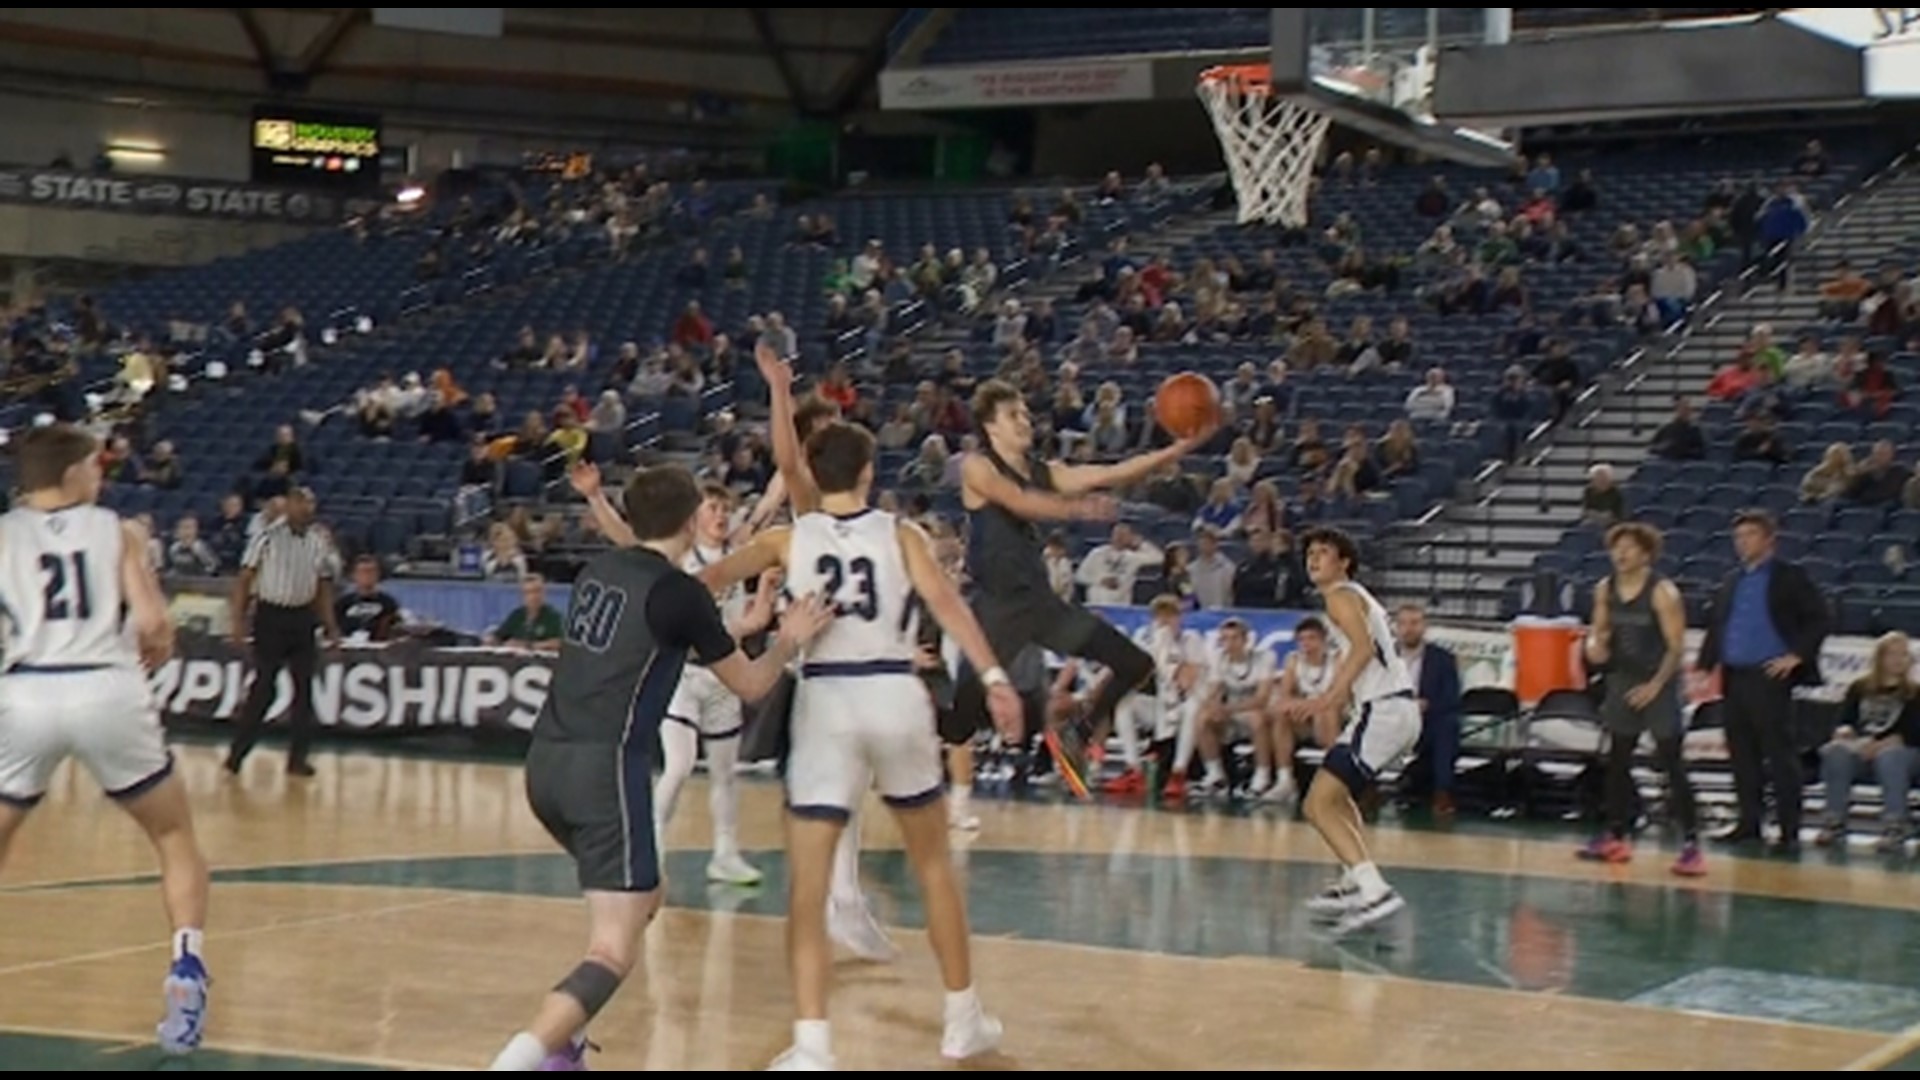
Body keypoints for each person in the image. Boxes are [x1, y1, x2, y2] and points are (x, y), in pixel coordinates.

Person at [697, 421, 1021, 1071]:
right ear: (870, 471)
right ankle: (963, 1021)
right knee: (933, 869)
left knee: (807, 889)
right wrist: (994, 677)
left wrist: (748, 629)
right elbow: (952, 610)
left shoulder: (786, 539)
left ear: (814, 476)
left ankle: (814, 1046)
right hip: (896, 696)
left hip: (827, 700)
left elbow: (698, 587)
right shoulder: (904, 535)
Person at [487, 465, 833, 1071]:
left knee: (649, 892)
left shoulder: (602, 569)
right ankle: (523, 1059)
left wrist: (742, 626)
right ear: (691, 516)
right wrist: (788, 638)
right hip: (604, 771)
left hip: (545, 765)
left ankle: (564, 1040)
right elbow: (751, 684)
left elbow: (658, 628)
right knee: (613, 949)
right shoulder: (680, 594)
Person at [0, 424, 211, 1054]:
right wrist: (155, 647)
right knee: (173, 836)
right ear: (70, 475)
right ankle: (187, 967)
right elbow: (152, 621)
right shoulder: (116, 529)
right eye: (94, 466)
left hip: (28, 691)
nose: (101, 476)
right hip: (106, 688)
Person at [955, 378, 1216, 798]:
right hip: (999, 607)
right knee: (959, 717)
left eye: (1025, 412)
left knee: (1135, 662)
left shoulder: (1043, 470)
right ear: (990, 426)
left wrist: (1176, 450)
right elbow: (1019, 501)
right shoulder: (976, 465)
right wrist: (1075, 509)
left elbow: (1109, 473)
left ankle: (1077, 733)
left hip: (1041, 604)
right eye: (1013, 415)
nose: (1025, 420)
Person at [747, 343, 909, 961]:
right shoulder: (808, 506)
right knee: (834, 785)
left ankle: (843, 901)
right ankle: (835, 904)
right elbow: (787, 460)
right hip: (818, 658)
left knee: (851, 781)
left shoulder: (861, 515)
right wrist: (780, 392)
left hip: (857, 657)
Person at [571, 466, 780, 887]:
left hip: (724, 673)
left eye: (726, 508)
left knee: (725, 773)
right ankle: (652, 846)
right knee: (681, 764)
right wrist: (595, 498)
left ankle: (725, 853)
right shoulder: (678, 556)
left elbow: (772, 500)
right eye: (713, 508)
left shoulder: (740, 550)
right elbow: (628, 539)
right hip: (683, 675)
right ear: (692, 517)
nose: (722, 515)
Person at [1284, 527, 1421, 936]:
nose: (1313, 558)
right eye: (1310, 552)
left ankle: (1374, 891)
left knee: (1317, 805)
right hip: (1390, 708)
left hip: (1384, 711)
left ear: (1343, 562)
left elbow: (1362, 651)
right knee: (1337, 798)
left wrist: (1326, 698)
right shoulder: (1355, 596)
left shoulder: (1340, 595)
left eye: (1323, 552)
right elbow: (1365, 652)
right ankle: (1352, 882)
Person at [1695, 509, 1829, 857]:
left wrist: (1796, 655)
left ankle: (1788, 830)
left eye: (1750, 535)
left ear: (1769, 539)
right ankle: (1749, 823)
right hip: (1734, 676)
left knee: (1779, 755)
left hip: (1769, 677)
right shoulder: (1731, 580)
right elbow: (1719, 624)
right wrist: (1704, 664)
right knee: (1742, 754)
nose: (1742, 543)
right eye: (1738, 537)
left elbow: (1820, 617)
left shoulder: (1789, 577)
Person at [1580, 523, 1706, 877]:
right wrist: (1595, 647)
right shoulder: (1605, 588)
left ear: (1646, 554)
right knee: (1617, 760)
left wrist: (1656, 685)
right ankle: (1616, 836)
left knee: (1671, 762)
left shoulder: (1662, 592)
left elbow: (1676, 646)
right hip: (1623, 680)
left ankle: (1692, 845)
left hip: (1659, 683)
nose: (1620, 554)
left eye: (1629, 548)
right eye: (1616, 547)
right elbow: (1599, 632)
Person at [225, 485, 342, 778]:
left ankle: (297, 759)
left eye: (312, 503)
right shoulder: (265, 537)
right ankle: (237, 755)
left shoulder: (318, 542)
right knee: (263, 688)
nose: (308, 508)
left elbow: (323, 586)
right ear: (289, 504)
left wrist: (330, 627)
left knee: (304, 691)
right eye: (302, 502)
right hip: (271, 617)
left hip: (303, 619)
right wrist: (237, 621)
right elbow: (244, 579)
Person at [1817, 631, 1920, 851]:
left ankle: (1895, 826)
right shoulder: (1859, 688)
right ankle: (1834, 822)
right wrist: (1844, 733)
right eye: (1892, 654)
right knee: (1835, 751)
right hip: (1862, 750)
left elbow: (1912, 735)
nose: (1898, 659)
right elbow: (1845, 722)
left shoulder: (1915, 693)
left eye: (1903, 655)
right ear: (1880, 658)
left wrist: (1882, 745)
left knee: (1891, 757)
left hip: (1903, 755)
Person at [1261, 616, 1342, 805]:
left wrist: (1308, 705)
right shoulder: (1293, 660)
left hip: (1336, 715)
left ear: (1323, 640)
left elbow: (1338, 695)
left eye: (1312, 638)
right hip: (1306, 716)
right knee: (1281, 715)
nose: (1306, 644)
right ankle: (1285, 780)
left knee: (1327, 712)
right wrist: (1302, 706)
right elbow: (1284, 696)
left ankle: (1337, 782)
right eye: (1302, 639)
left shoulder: (1337, 659)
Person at [1193, 617, 1277, 799]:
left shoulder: (1264, 658)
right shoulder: (1219, 659)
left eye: (1234, 638)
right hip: (1232, 711)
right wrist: (1213, 706)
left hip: (1256, 711)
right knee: (1202, 717)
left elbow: (1262, 698)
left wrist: (1228, 709)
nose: (1229, 644)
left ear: (1246, 640)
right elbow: (1214, 690)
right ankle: (1215, 775)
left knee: (1257, 718)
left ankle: (1262, 776)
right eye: (1225, 639)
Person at [1394, 605, 1464, 818]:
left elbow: (1451, 698)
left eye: (1414, 623)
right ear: (1396, 628)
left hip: (1427, 722)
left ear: (1424, 627)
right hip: (1390, 720)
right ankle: (1366, 790)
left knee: (1447, 726)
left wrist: (1426, 704)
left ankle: (1442, 793)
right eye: (1403, 623)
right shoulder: (1382, 658)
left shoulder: (1443, 659)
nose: (1409, 629)